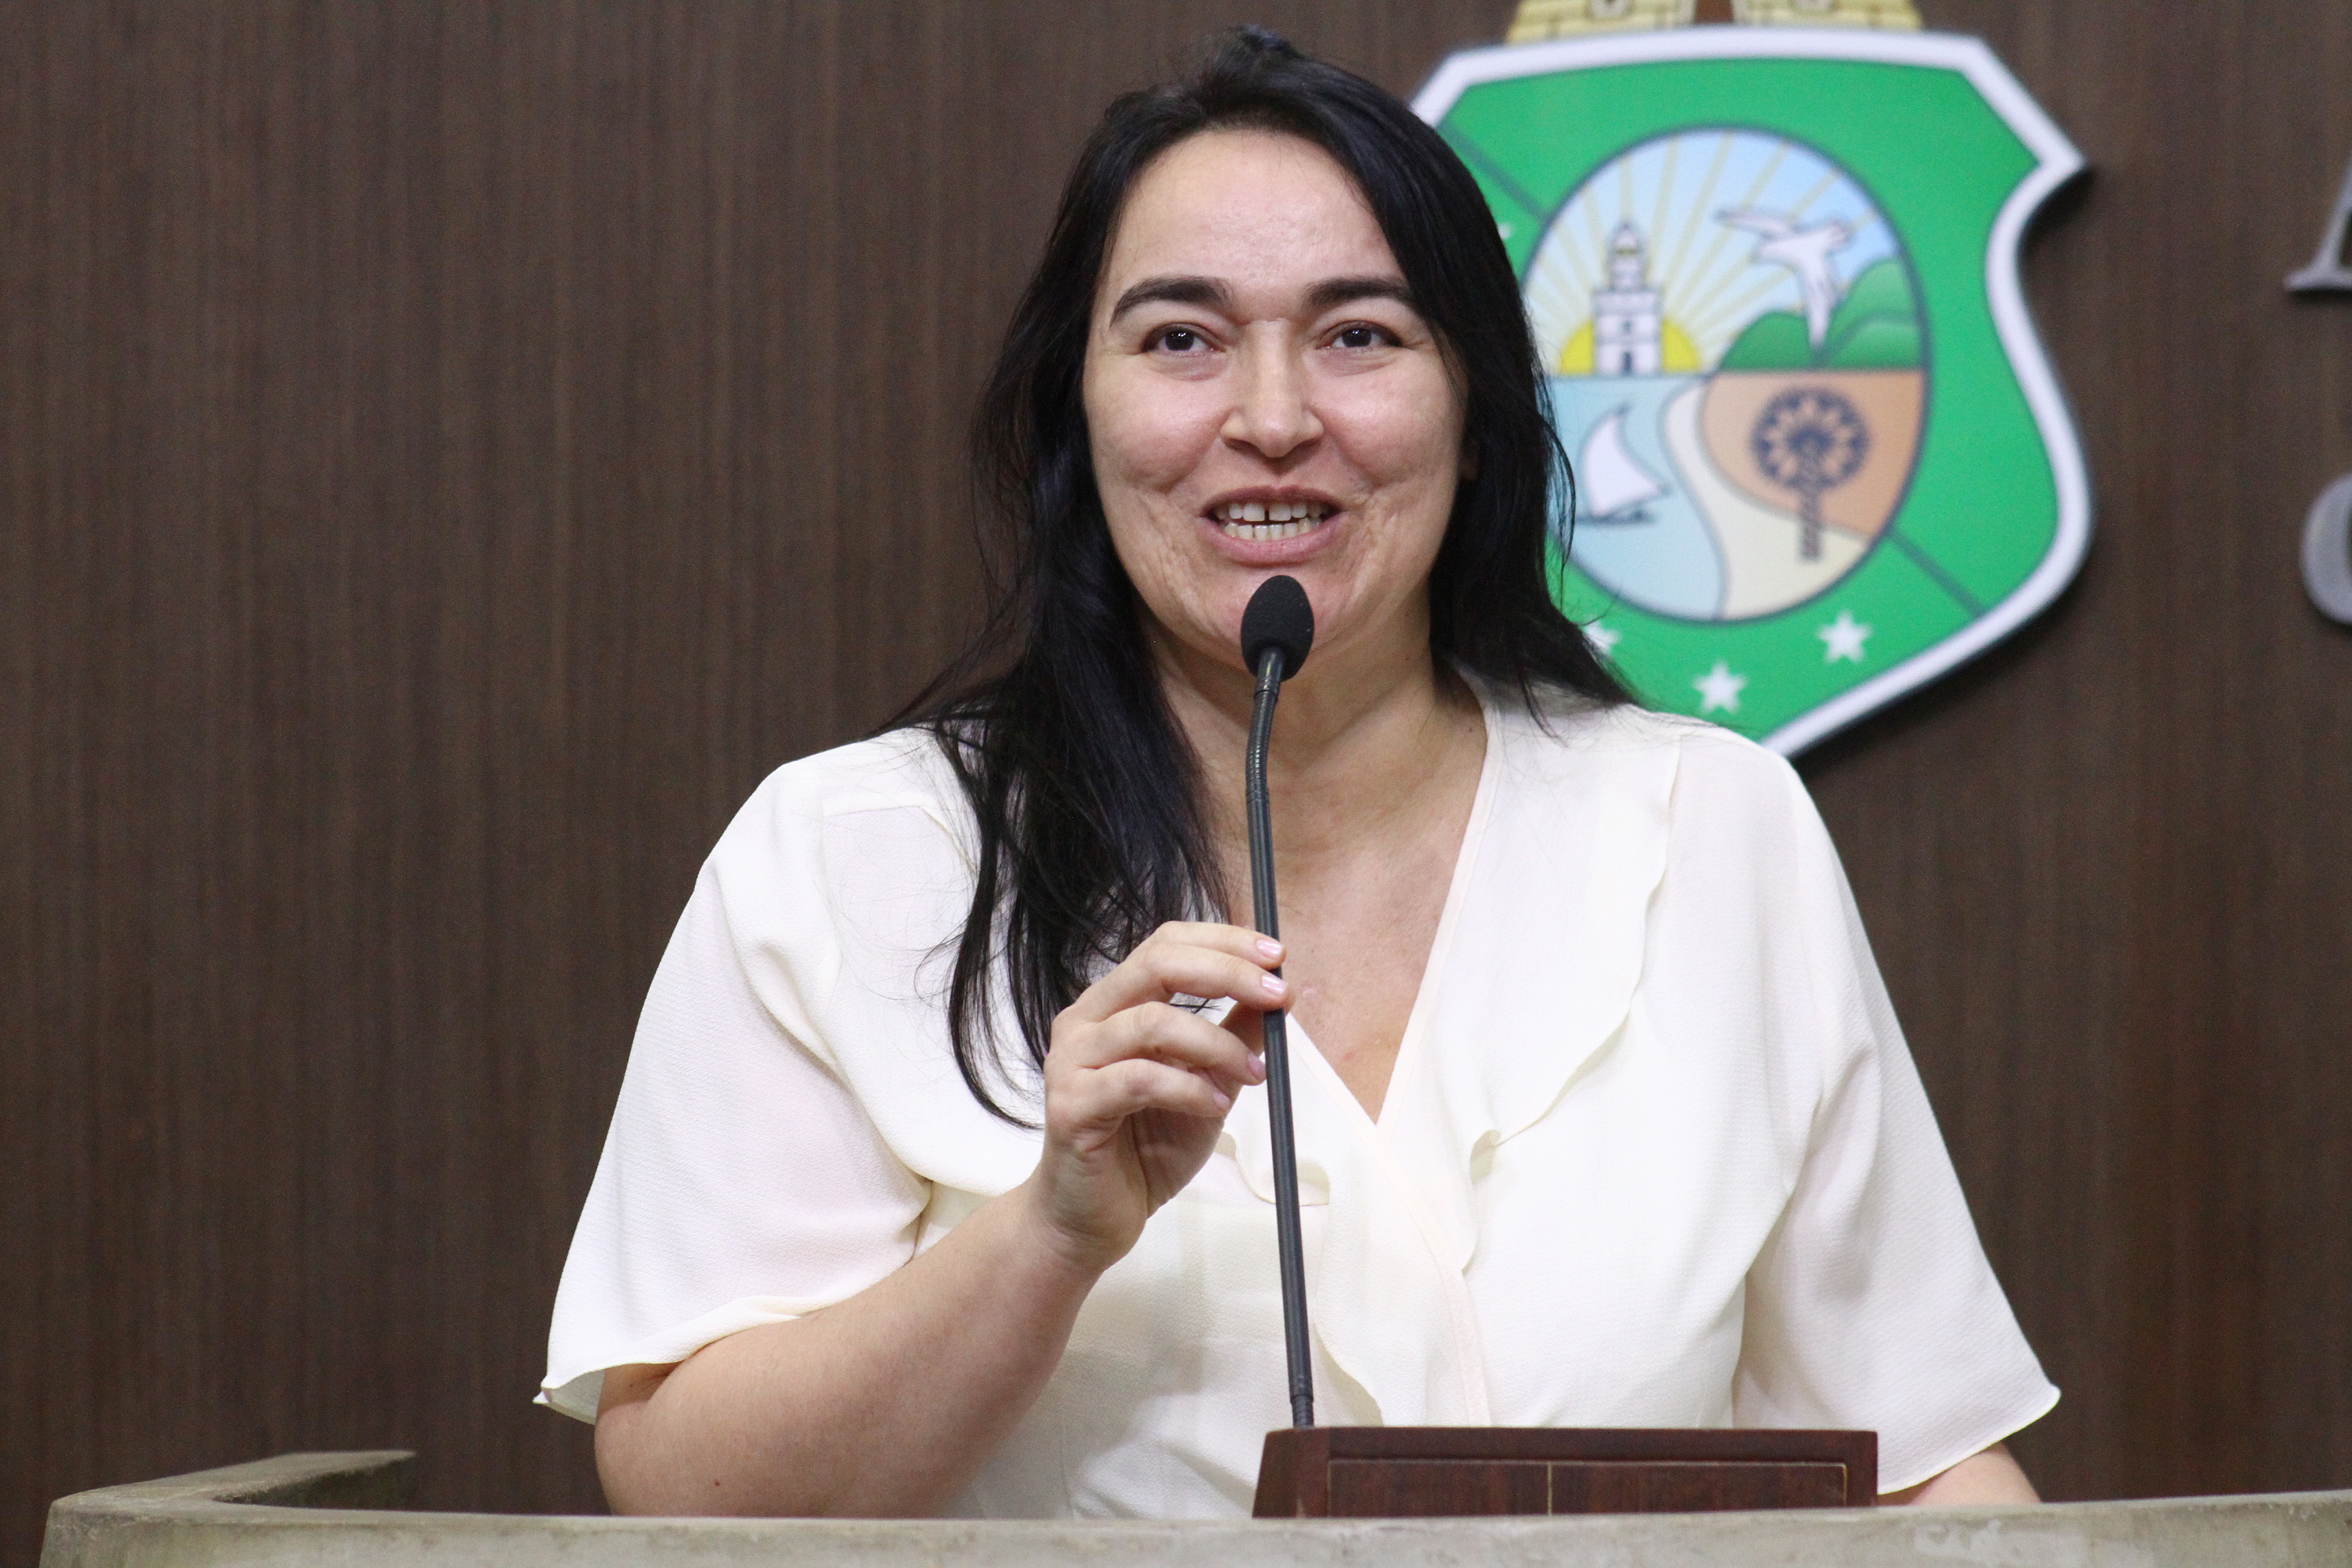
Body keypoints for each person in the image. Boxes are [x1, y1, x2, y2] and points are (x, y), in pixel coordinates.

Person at [542, 28, 2056, 1518]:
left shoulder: (1711, 827)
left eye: (1361, 337)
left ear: (1478, 413)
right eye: (1180, 340)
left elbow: (1925, 1468)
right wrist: (1049, 1238)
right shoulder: (854, 856)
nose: (1272, 422)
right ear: (1079, 410)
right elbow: (685, 1494)